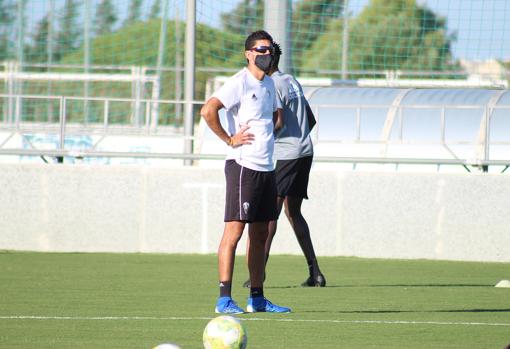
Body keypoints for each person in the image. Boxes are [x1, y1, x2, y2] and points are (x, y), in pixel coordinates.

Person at [200, 30, 291, 314]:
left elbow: (276, 117)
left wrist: (271, 131)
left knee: (261, 234)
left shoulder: (270, 85)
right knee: (235, 231)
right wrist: (229, 138)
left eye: (269, 50)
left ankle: (257, 298)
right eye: (261, 50)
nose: (266, 55)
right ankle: (224, 298)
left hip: (267, 167)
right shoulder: (238, 83)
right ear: (249, 53)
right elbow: (208, 111)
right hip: (243, 166)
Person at [244, 42, 326, 288]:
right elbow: (310, 120)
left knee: (270, 215)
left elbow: (276, 124)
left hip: (286, 156)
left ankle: (258, 275)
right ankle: (315, 273)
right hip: (304, 152)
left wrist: (258, 138)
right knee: (293, 213)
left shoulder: (272, 85)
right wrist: (297, 137)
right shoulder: (291, 81)